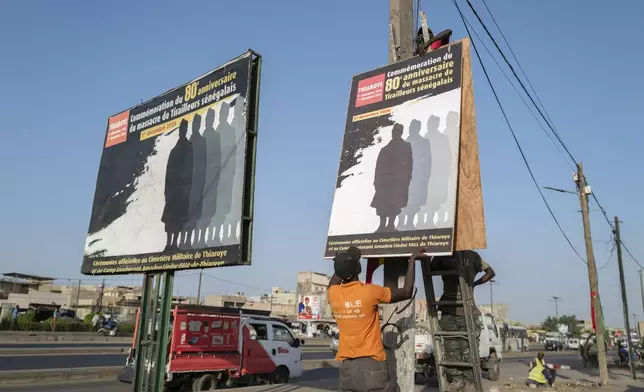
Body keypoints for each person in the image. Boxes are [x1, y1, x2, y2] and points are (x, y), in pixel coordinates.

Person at [327, 246, 418, 392]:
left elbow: (336, 279)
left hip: (347, 367)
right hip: (372, 364)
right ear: (358, 269)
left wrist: (346, 258)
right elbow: (407, 291)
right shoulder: (370, 292)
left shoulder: (333, 294)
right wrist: (412, 261)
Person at [412, 250, 495, 391]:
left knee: (459, 349)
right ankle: (463, 381)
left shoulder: (453, 254)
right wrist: (474, 284)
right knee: (459, 348)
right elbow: (490, 273)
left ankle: (465, 381)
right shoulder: (472, 255)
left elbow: (429, 268)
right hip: (454, 309)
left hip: (460, 308)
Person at [371, 123, 413, 233]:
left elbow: (409, 164)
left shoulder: (406, 146)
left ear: (401, 132)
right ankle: (381, 226)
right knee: (382, 204)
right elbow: (378, 166)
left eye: (398, 131)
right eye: (394, 131)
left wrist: (407, 179)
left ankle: (390, 225)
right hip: (384, 181)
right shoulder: (384, 149)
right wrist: (376, 181)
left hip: (398, 181)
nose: (395, 133)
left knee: (394, 204)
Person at [162, 119, 194, 251]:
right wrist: (166, 190)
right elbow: (168, 170)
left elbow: (189, 168)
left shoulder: (188, 147)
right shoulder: (174, 149)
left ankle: (174, 243)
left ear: (186, 130)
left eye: (184, 129)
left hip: (181, 190)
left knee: (177, 219)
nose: (182, 131)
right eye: (181, 129)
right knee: (169, 219)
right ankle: (168, 243)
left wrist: (186, 188)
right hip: (171, 189)